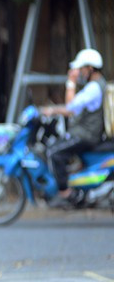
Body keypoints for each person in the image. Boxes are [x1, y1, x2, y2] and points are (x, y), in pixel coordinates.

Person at [40, 48, 107, 206]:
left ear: (90, 69)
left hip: (87, 134)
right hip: (86, 132)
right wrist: (53, 110)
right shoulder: (95, 85)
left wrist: (71, 81)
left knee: (54, 152)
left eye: (82, 69)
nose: (80, 72)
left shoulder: (94, 88)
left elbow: (71, 107)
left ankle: (66, 194)